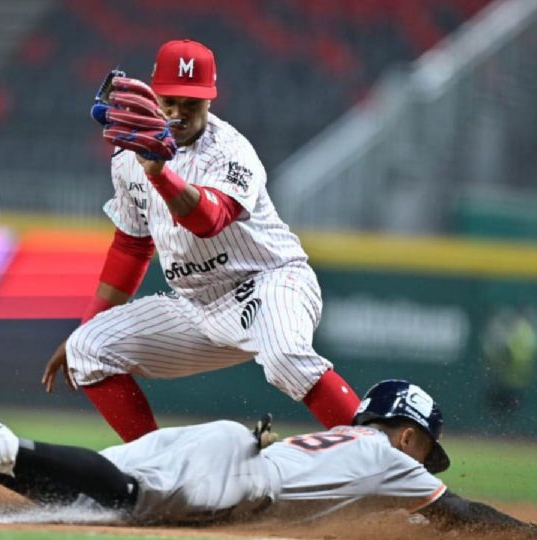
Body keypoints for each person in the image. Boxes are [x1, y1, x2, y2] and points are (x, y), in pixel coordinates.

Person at [41, 38, 360, 443]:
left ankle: (388, 462)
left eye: (191, 103)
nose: (177, 113)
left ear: (210, 99)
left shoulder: (230, 151)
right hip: (196, 305)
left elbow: (209, 220)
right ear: (153, 95)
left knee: (286, 359)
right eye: (169, 101)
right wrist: (85, 325)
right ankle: (161, 469)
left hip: (270, 283)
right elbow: (132, 246)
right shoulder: (127, 158)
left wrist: (160, 174)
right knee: (89, 346)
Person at [0, 380, 537, 539]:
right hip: (237, 474)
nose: (429, 461)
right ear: (407, 434)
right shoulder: (395, 463)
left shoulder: (361, 446)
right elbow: (461, 516)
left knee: (92, 491)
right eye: (427, 445)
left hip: (226, 446)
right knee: (123, 500)